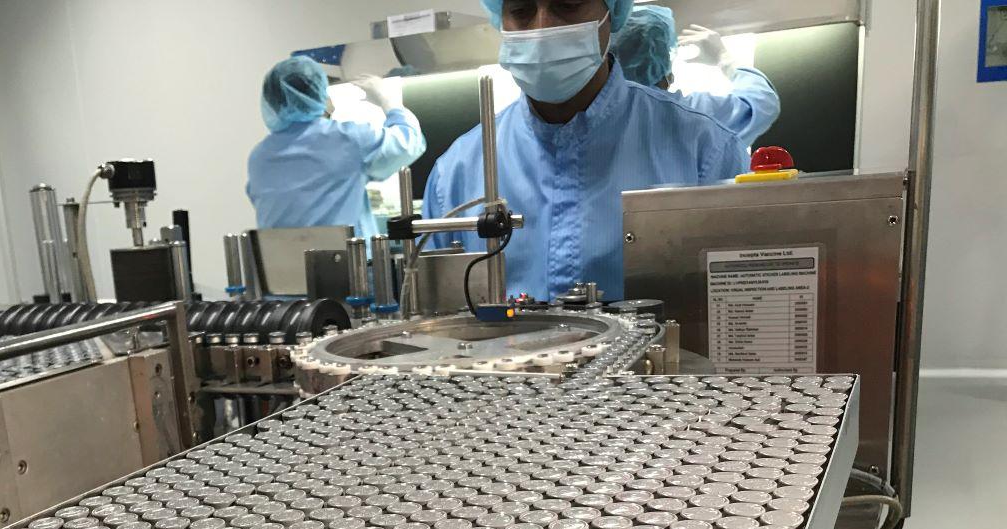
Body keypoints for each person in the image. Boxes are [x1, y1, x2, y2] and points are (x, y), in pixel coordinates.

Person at [422, 0, 748, 304]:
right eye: (521, 10)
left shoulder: (703, 151)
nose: (543, 28)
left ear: (612, 13)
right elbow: (439, 332)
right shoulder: (456, 173)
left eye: (569, 4)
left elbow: (741, 316)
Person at [247, 56, 426, 240]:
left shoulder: (259, 157)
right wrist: (389, 102)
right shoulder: (346, 139)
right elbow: (408, 142)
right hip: (344, 264)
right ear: (320, 96)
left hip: (283, 266)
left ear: (271, 102)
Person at [612, 6, 780, 148]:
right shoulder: (692, 115)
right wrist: (724, 59)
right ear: (665, 74)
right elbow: (761, 103)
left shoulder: (598, 118)